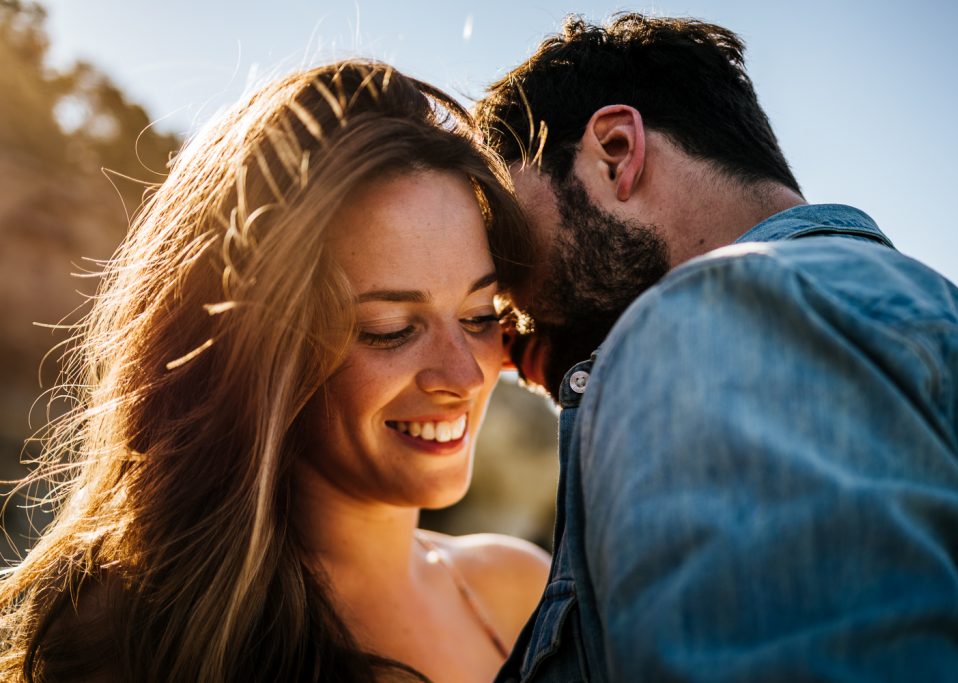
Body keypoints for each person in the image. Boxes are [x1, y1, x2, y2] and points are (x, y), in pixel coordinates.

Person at [476, 13, 958, 683]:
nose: (511, 313)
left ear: (617, 149)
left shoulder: (707, 322)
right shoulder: (952, 333)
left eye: (510, 239)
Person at [0, 60, 550, 682]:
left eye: (479, 316)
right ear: (259, 348)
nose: (467, 375)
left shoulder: (525, 592)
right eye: (389, 330)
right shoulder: (137, 639)